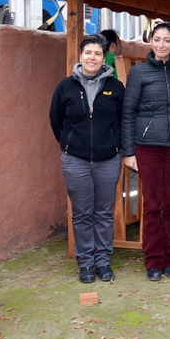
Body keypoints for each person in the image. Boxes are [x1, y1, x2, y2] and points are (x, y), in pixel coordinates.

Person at [49, 33, 124, 283]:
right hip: (76, 161)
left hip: (108, 160)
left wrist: (116, 146)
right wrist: (69, 144)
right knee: (81, 213)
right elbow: (56, 119)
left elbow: (123, 120)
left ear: (105, 59)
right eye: (88, 52)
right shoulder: (65, 86)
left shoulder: (115, 87)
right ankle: (86, 264)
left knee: (103, 212)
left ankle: (103, 261)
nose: (92, 57)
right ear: (81, 56)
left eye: (98, 53)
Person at [121, 22, 170, 282]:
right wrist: (128, 151)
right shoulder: (139, 74)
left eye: (167, 40)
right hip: (147, 147)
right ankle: (152, 260)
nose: (161, 44)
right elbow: (128, 113)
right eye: (157, 39)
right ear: (150, 41)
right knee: (152, 205)